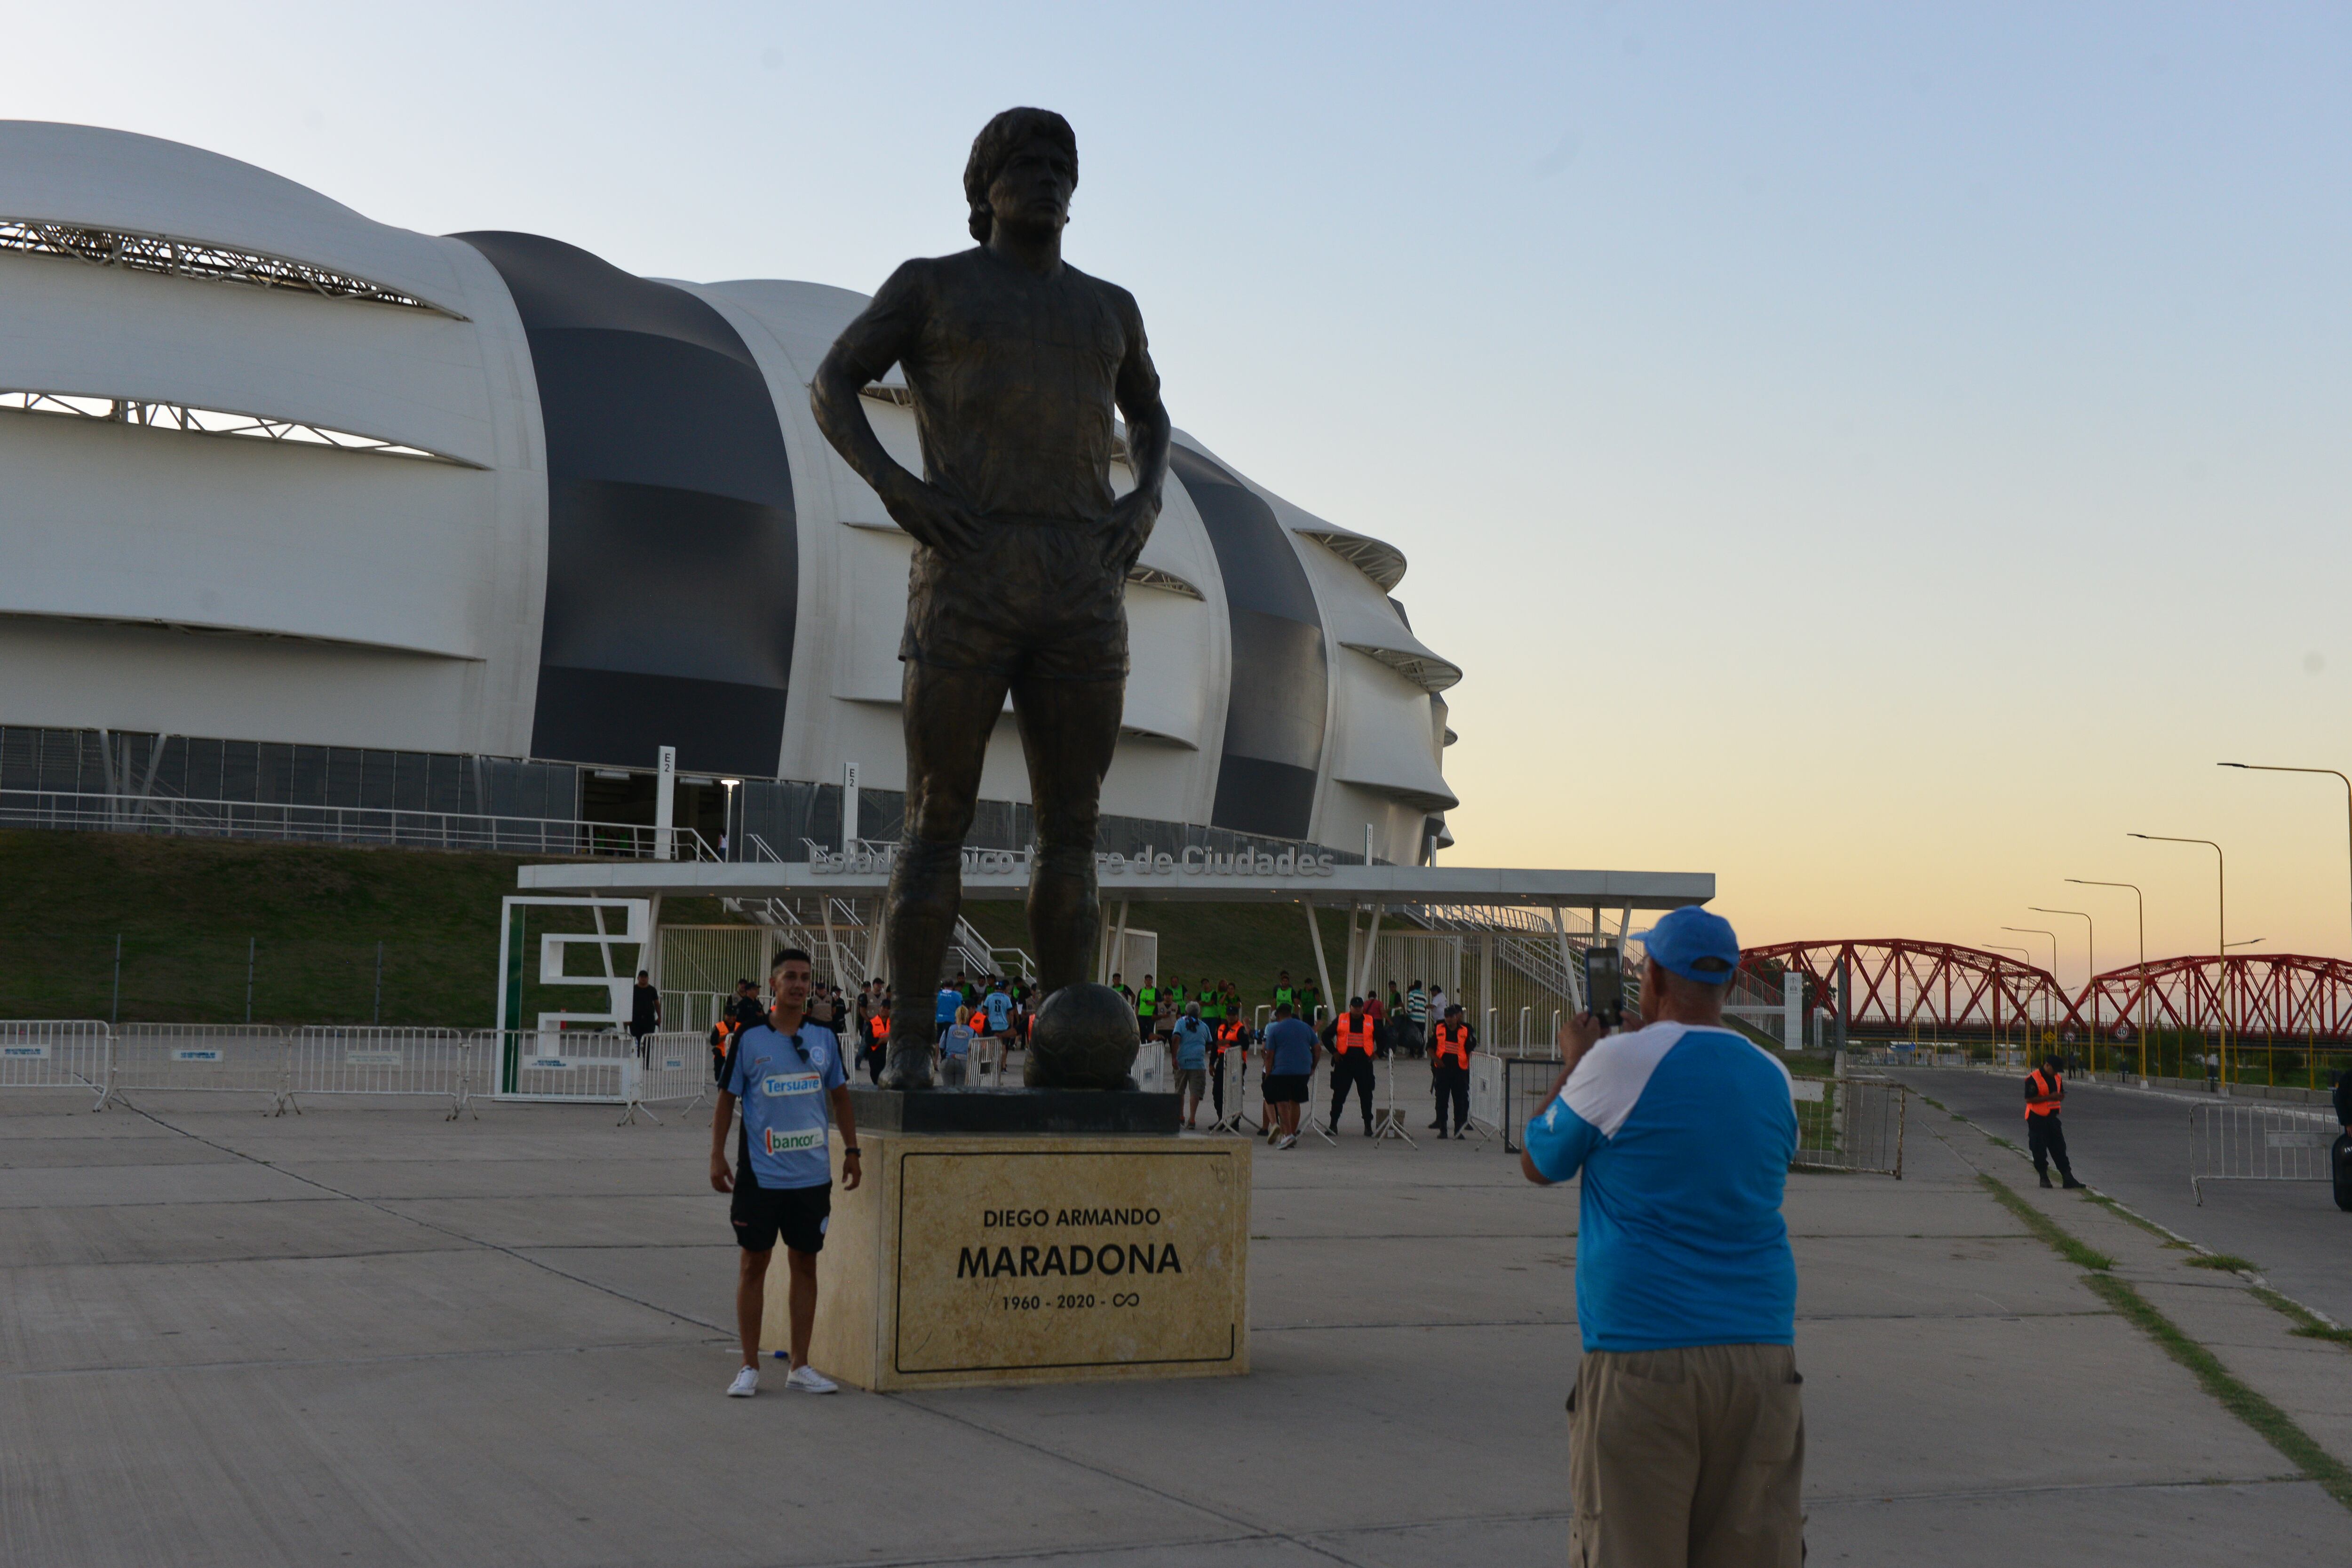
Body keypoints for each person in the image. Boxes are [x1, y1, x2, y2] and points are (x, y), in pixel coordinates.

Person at [809, 108, 1172, 1089]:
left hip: (1078, 582)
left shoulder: (1110, 307)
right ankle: (915, 1051)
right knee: (937, 815)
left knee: (1074, 827)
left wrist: (1141, 504)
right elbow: (832, 379)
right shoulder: (933, 286)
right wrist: (899, 489)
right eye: (1025, 164)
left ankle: (1067, 1052)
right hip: (967, 572)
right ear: (986, 189)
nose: (1048, 179)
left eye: (1062, 164)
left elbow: (1151, 416)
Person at [1517, 905, 1804, 1566]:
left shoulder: (1617, 1062)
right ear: (1730, 984)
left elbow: (1540, 1161)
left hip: (1644, 1354)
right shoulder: (1774, 1078)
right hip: (1762, 1355)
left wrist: (1577, 1062)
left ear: (1651, 977)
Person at [710, 947, 861, 1398]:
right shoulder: (750, 1037)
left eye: (805, 978)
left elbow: (841, 1098)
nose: (799, 984)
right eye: (790, 977)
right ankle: (749, 1365)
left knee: (806, 1262)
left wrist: (852, 1150)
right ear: (773, 984)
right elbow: (725, 1100)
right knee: (754, 1263)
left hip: (811, 1176)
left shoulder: (825, 1037)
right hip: (761, 1176)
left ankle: (801, 1364)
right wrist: (716, 1155)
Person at [1259, 1001, 1319, 1149]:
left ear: (1278, 1016)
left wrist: (1268, 1073)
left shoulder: (1275, 1029)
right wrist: (1313, 1067)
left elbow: (1270, 1055)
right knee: (1295, 1102)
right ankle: (1292, 1133)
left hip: (1282, 1072)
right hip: (1303, 1071)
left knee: (1281, 1102)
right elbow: (1317, 1048)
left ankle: (1287, 1135)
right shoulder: (1305, 1027)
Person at [2025, 1054, 2085, 1189]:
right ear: (2047, 1065)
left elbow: (2059, 1093)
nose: (2057, 1073)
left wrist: (2060, 1097)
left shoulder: (2057, 1078)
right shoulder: (2033, 1079)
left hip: (2052, 1119)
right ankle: (2044, 1178)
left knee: (2059, 1148)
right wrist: (2049, 1097)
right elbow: (2029, 1100)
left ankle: (2068, 1178)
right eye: (2055, 1070)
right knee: (2039, 1149)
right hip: (2037, 1119)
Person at [1322, 996, 1379, 1136]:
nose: (1357, 1009)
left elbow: (1383, 1037)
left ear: (1363, 1008)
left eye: (1360, 1007)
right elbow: (1325, 1036)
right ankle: (1333, 1125)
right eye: (1355, 1007)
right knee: (1339, 1096)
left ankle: (1368, 1126)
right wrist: (1334, 1052)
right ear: (1350, 1007)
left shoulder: (1370, 1021)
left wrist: (1378, 1053)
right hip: (1344, 1064)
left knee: (1366, 1096)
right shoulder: (1342, 1019)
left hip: (1364, 1064)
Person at [1428, 1003, 1475, 1138]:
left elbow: (1470, 1050)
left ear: (1457, 1017)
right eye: (1447, 1016)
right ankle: (1443, 1129)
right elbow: (1430, 1048)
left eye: (1452, 1016)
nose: (1449, 1019)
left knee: (1459, 1102)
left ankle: (1458, 1130)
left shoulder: (1465, 1031)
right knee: (1442, 1101)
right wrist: (1437, 1061)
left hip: (1460, 1071)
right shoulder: (1439, 1029)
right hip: (1443, 1071)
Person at [1170, 1001, 1212, 1130]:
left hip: (1182, 1061)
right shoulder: (1204, 1026)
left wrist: (1174, 1057)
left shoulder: (1180, 1023)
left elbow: (1176, 1038)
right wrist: (1201, 1051)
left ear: (1186, 1012)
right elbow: (1210, 1044)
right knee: (1195, 1092)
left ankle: (1181, 1116)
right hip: (1198, 1063)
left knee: (1180, 1090)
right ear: (1199, 1013)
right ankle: (1192, 1119)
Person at [1212, 1011, 1251, 1125]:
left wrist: (1230, 1042)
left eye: (1233, 1015)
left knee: (1234, 1092)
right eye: (1229, 1015)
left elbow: (1245, 1045)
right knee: (1217, 1092)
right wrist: (1211, 1063)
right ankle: (1221, 1119)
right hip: (1221, 1063)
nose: (1231, 1017)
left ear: (1237, 1017)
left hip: (1237, 1063)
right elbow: (1216, 1045)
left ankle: (1235, 1122)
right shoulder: (1221, 1028)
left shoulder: (1241, 1029)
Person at [629, 970, 661, 1061]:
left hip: (649, 1020)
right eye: (642, 977)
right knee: (636, 1042)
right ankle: (637, 1061)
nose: (643, 979)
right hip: (635, 1020)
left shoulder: (652, 990)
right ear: (638, 978)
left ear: (648, 978)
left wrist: (659, 1017)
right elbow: (628, 1003)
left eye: (645, 977)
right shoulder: (633, 989)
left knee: (648, 1042)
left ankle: (646, 1063)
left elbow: (657, 1004)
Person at [940, 1004, 975, 1086]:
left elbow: (942, 1046)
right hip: (964, 1062)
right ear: (967, 1017)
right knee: (960, 1090)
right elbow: (976, 1050)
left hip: (948, 1060)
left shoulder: (948, 1029)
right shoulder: (972, 1032)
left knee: (947, 1089)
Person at [860, 1001, 892, 1086]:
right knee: (876, 1079)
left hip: (890, 1054)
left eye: (888, 1008)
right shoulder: (873, 1023)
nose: (885, 1010)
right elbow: (868, 1039)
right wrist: (881, 1041)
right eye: (883, 1007)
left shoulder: (893, 1023)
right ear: (880, 1008)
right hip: (876, 1054)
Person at [1406, 979, 1429, 1059]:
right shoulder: (1424, 995)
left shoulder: (1412, 994)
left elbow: (1411, 1004)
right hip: (1422, 1018)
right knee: (1421, 1035)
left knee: (1412, 1035)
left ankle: (1412, 1053)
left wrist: (1408, 1012)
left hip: (1414, 1017)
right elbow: (1425, 1006)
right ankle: (1421, 1053)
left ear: (1414, 985)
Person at [1136, 974, 1159, 1038]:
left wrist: (1152, 1003)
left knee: (1150, 1031)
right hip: (1142, 1015)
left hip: (1151, 1015)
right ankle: (1143, 1044)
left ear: (1152, 981)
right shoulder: (1142, 991)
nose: (1148, 981)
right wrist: (1136, 1015)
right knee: (1142, 1031)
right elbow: (1138, 1003)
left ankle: (1149, 1045)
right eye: (1147, 980)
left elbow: (1160, 1002)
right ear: (1145, 981)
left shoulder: (1155, 991)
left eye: (1150, 980)